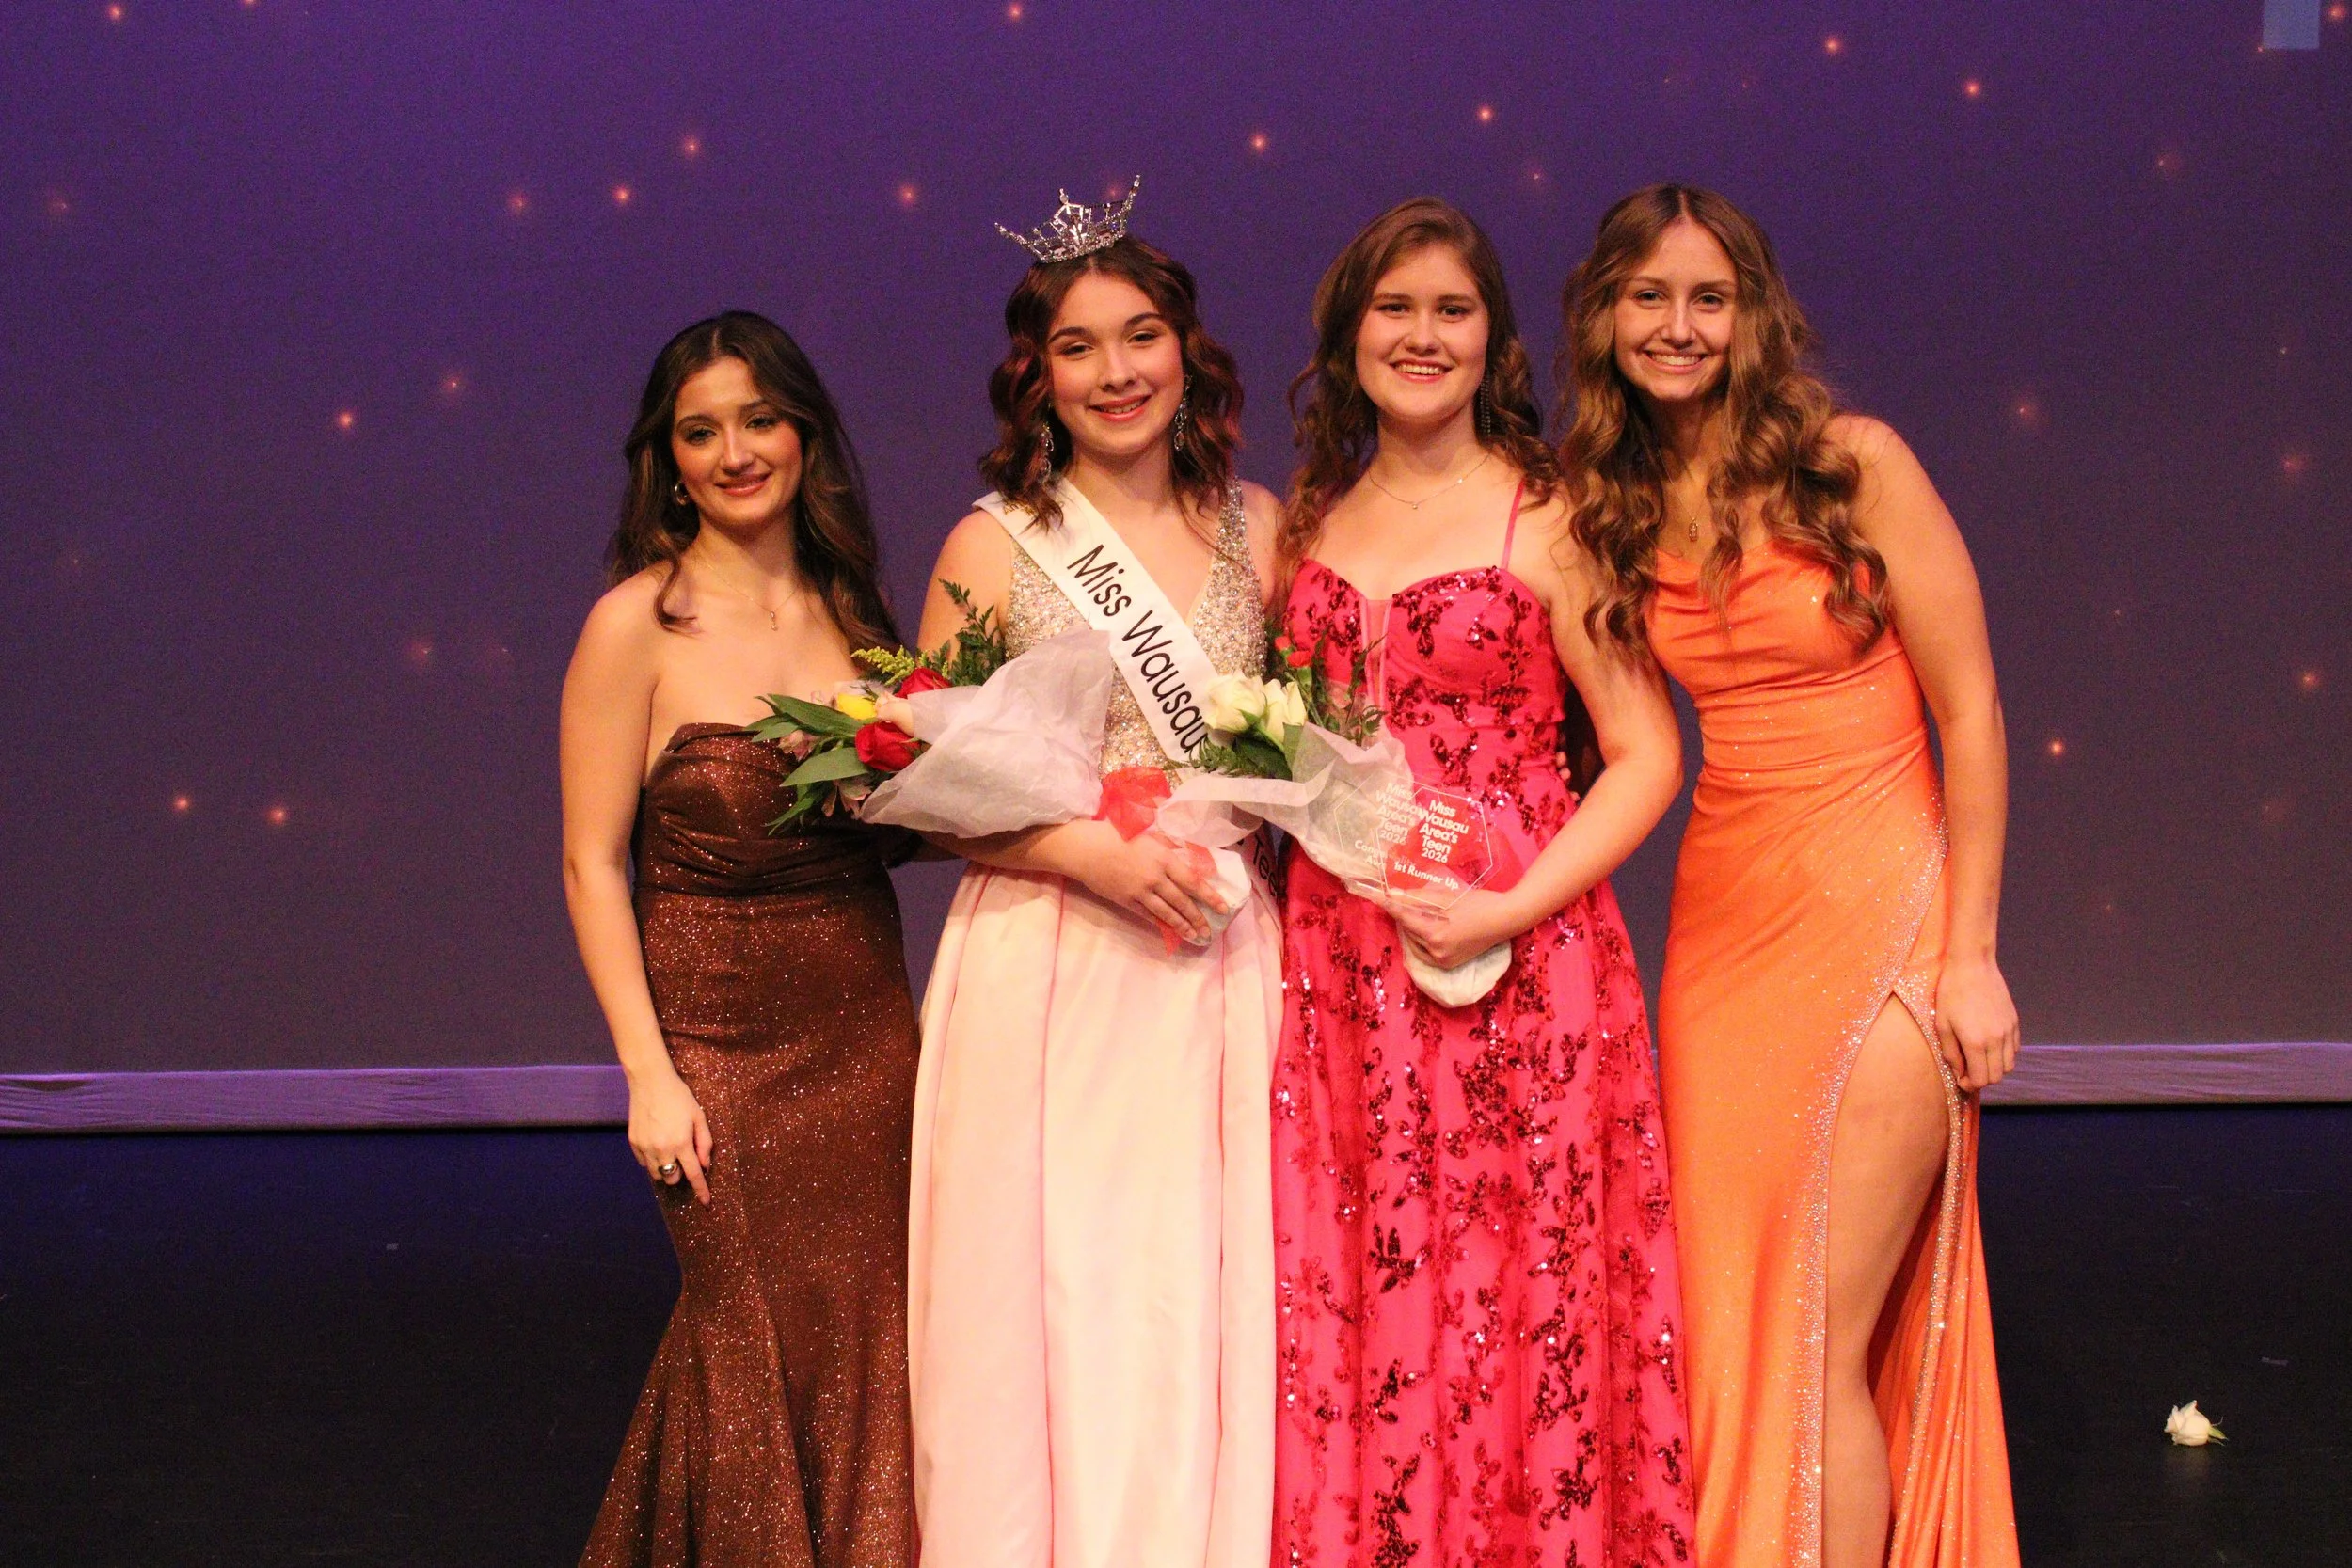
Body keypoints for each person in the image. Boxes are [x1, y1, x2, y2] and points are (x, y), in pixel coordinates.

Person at [1558, 183, 2022, 1568]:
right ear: (1607, 318)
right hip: (1725, 934)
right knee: (1725, 1309)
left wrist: (1973, 950)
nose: (1680, 326)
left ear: (1754, 313)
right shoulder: (1610, 504)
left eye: (1710, 297)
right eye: (1650, 297)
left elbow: (1976, 708)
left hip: (1889, 915)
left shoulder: (1851, 461)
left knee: (1817, 1316)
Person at [1271, 197, 1695, 1567]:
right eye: (1394, 308)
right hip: (1343, 962)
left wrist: (1513, 907)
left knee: (1520, 1294)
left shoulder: (1551, 514)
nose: (1422, 335)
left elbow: (1641, 753)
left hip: (1521, 958)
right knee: (1371, 1281)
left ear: (1497, 341)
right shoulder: (1308, 524)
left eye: (1453, 310)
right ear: (1349, 337)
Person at [902, 184, 1285, 1568]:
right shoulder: (991, 543)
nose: (1117, 371)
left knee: (1197, 1298)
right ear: (1036, 374)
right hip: (1050, 956)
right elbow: (927, 785)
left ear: (1189, 350)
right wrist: (1086, 853)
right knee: (1053, 1301)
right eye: (1079, 346)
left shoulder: (1265, 525)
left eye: (1142, 336)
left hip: (1223, 959)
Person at [561, 311, 919, 1568]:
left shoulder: (853, 607)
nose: (734, 451)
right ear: (667, 456)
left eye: (757, 419)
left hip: (866, 1025)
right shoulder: (635, 627)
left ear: (803, 430)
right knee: (742, 1330)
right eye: (699, 430)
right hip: (715, 1042)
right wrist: (648, 1074)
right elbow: (593, 863)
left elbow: (899, 817)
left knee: (868, 1333)